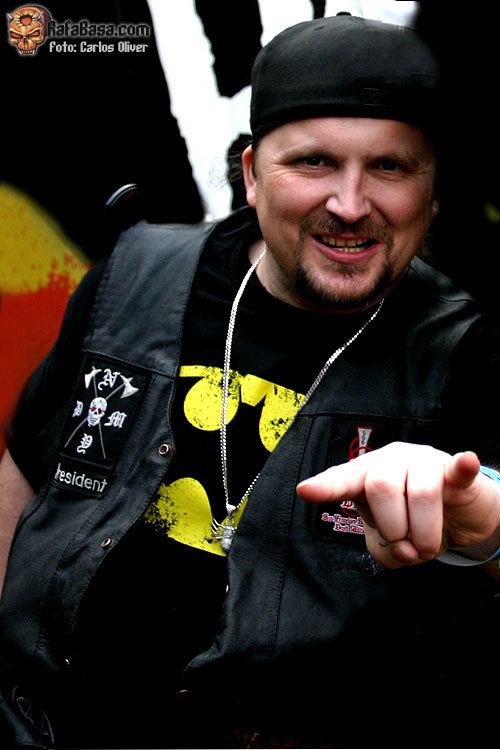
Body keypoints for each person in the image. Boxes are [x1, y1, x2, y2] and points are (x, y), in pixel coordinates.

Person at [2, 13, 500, 749]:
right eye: (313, 163)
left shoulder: (467, 348)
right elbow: (26, 467)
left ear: (431, 192)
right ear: (251, 174)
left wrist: (483, 525)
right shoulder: (134, 274)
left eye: (390, 168)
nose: (350, 205)